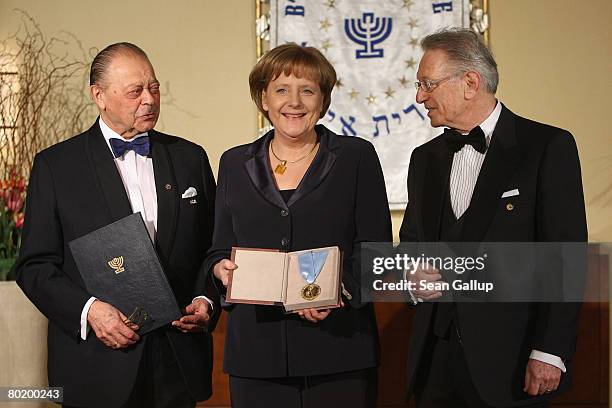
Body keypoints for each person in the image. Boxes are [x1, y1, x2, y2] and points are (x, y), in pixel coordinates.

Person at [14, 42, 219, 408]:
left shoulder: (190, 158)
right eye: (135, 91)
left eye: (154, 87)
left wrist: (206, 300)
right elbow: (34, 266)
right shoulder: (57, 166)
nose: (149, 100)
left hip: (176, 362)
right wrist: (90, 310)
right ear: (99, 96)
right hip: (96, 365)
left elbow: (212, 248)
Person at [399, 28, 587, 407]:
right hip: (435, 358)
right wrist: (410, 276)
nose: (420, 96)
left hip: (513, 361)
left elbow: (565, 256)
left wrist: (550, 351)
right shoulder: (424, 159)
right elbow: (412, 243)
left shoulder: (547, 147)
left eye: (428, 84)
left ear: (470, 82)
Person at [204, 43, 392, 407]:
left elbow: (377, 250)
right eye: (281, 90)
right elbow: (218, 247)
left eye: (307, 90)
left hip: (339, 352)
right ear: (263, 98)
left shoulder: (356, 157)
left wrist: (340, 290)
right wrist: (219, 268)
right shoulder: (233, 163)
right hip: (256, 355)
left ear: (323, 100)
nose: (295, 102)